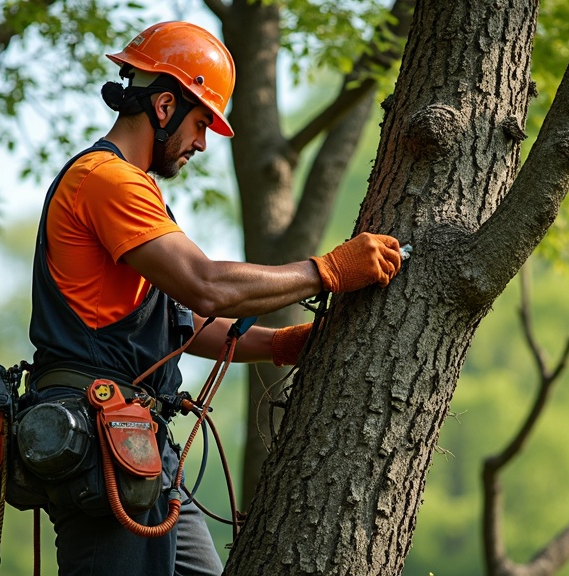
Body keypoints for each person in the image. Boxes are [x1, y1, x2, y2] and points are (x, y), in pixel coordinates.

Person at [26, 20, 402, 576]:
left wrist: (282, 344)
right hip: (103, 443)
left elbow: (186, 321)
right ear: (163, 106)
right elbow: (205, 283)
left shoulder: (138, 193)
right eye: (202, 122)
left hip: (140, 446)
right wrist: (325, 271)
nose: (202, 143)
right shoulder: (107, 181)